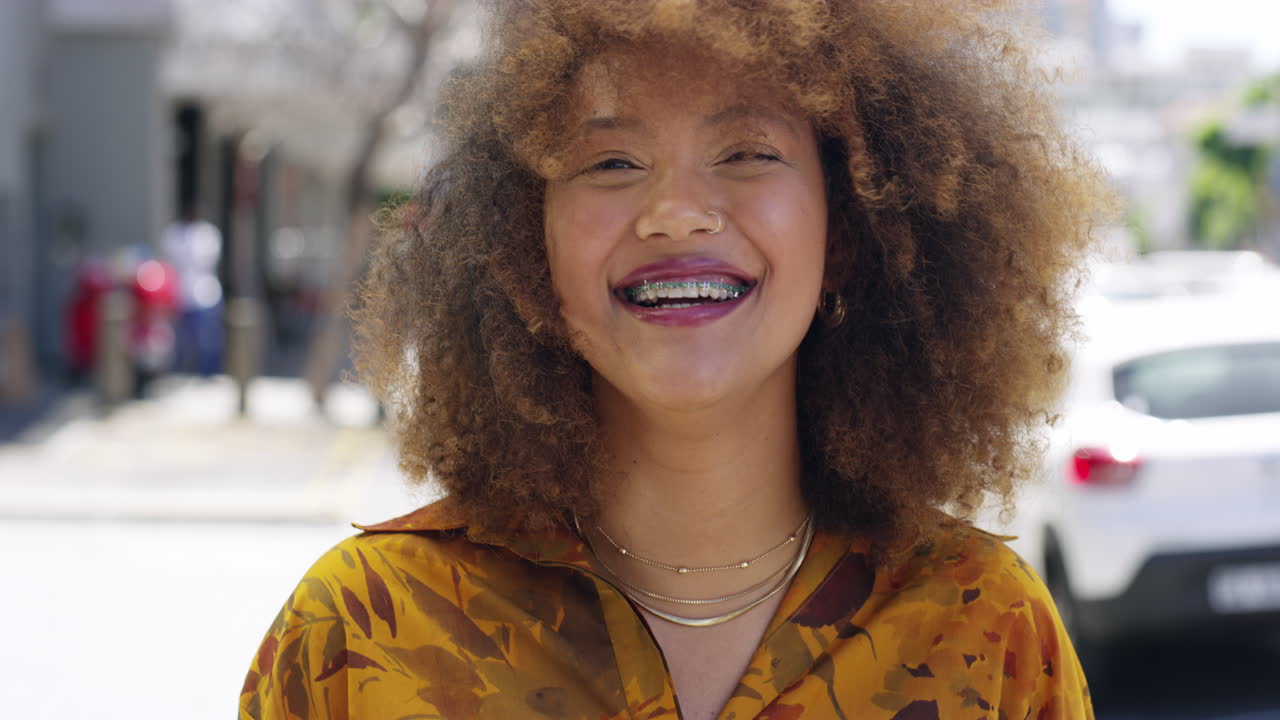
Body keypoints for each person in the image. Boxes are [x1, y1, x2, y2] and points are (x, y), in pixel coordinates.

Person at [240, 1, 1109, 718]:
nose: (678, 212)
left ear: (844, 228)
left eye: (746, 153)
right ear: (525, 245)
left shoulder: (988, 630)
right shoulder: (361, 636)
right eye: (611, 160)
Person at [161, 200, 224, 376]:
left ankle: (209, 373)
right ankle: (182, 373)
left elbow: (203, 260)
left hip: (205, 294)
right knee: (181, 339)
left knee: (208, 340)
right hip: (181, 294)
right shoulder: (175, 233)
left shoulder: (208, 234)